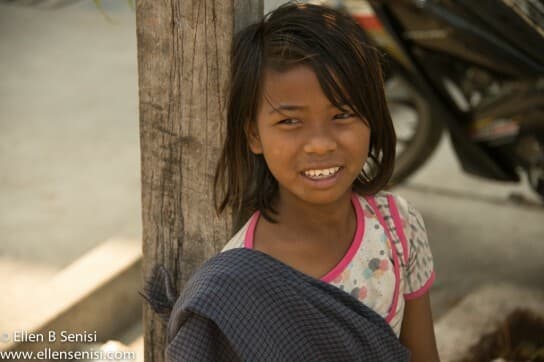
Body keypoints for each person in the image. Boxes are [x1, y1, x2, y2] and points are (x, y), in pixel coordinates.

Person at [143, 2, 439, 361]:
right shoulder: (238, 285)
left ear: (372, 117)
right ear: (253, 134)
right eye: (290, 122)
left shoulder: (397, 229)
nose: (320, 144)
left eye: (342, 114)